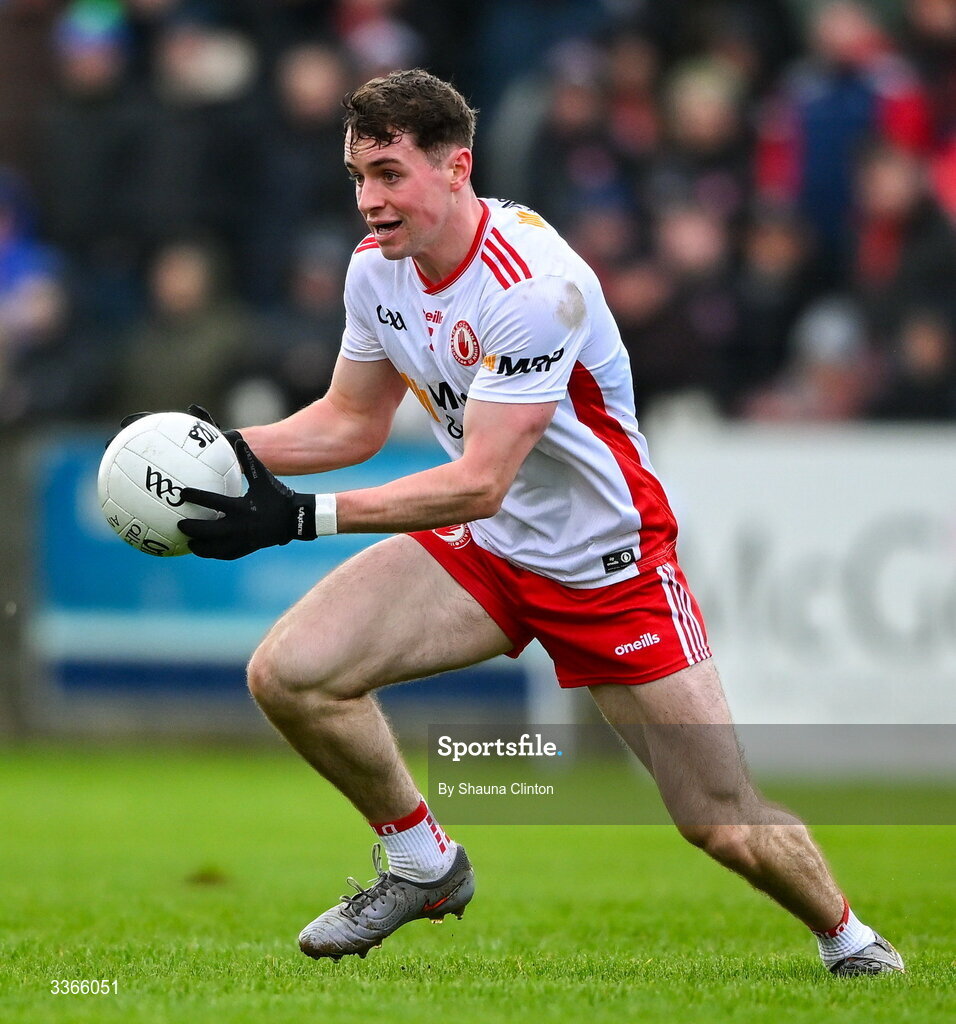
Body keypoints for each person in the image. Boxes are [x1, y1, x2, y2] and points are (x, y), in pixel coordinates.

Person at [175, 68, 903, 975]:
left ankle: (853, 943)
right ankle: (423, 864)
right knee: (290, 675)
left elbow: (479, 479)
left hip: (609, 568)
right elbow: (351, 421)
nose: (370, 200)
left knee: (721, 822)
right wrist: (211, 454)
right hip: (490, 554)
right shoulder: (378, 272)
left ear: (457, 168)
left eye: (391, 174)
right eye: (359, 175)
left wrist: (295, 519)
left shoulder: (533, 285)